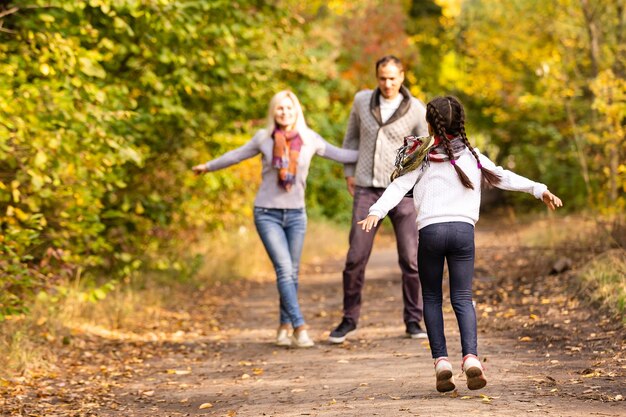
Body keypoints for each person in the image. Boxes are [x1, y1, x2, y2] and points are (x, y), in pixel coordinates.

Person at [358, 95, 563, 392]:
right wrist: (538, 189)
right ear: (461, 124)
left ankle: (442, 362)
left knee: (430, 298)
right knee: (463, 298)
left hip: (431, 233)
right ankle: (471, 359)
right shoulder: (474, 156)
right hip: (463, 233)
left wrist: (376, 211)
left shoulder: (422, 156)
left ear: (430, 124)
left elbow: (398, 186)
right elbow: (503, 177)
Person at [192, 90, 358, 348]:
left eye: (289, 108)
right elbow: (236, 155)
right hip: (266, 213)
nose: (284, 113)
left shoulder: (309, 139)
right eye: (280, 108)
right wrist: (208, 166)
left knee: (291, 273)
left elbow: (343, 155)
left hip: (296, 215)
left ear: (296, 111)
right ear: (274, 111)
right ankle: (300, 327)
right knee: (284, 269)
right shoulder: (263, 138)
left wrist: (379, 149)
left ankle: (283, 326)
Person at [328, 55, 429, 344]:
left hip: (403, 192)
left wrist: (419, 182)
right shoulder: (361, 101)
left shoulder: (415, 108)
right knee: (355, 257)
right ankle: (349, 320)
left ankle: (413, 320)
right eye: (382, 78)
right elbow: (351, 139)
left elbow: (425, 148)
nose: (387, 83)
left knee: (411, 259)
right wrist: (350, 172)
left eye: (392, 78)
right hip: (366, 189)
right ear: (376, 77)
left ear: (402, 76)